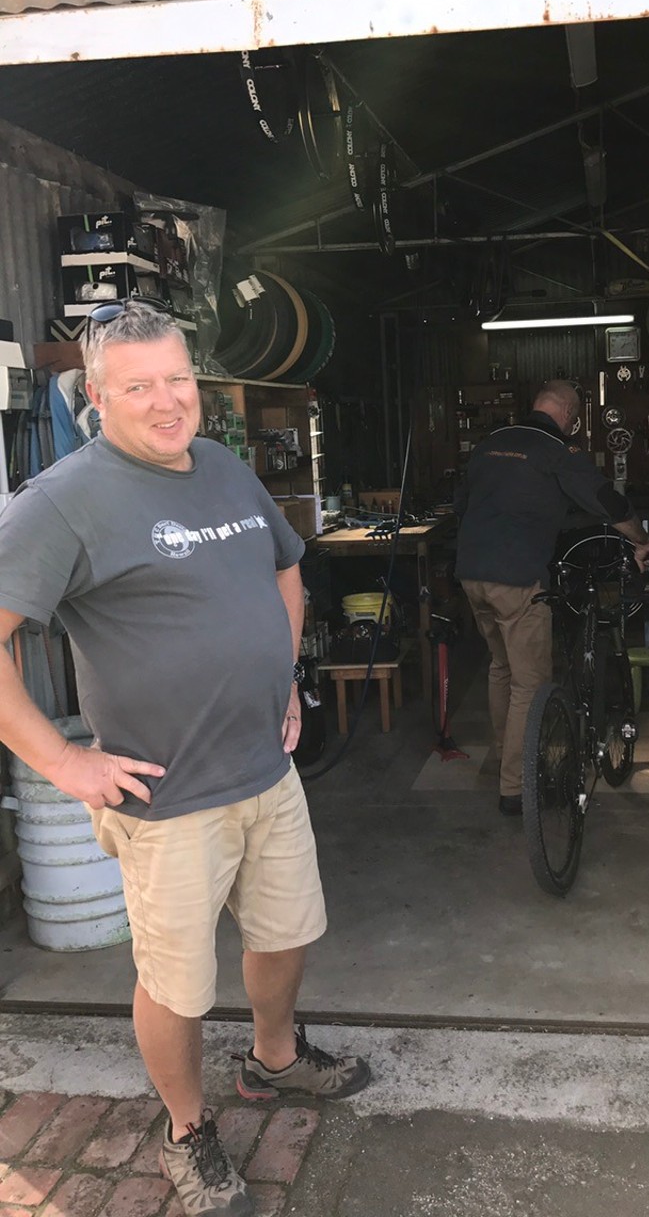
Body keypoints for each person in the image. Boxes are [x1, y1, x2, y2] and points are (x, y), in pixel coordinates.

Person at [0, 300, 369, 1217]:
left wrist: (283, 674)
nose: (168, 402)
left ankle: (274, 1061)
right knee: (177, 984)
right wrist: (66, 764)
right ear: (97, 395)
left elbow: (285, 567)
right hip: (167, 799)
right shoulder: (62, 501)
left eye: (178, 379)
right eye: (140, 387)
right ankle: (186, 1131)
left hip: (265, 769)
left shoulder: (222, 467)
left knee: (285, 936)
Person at [455, 379, 649, 815]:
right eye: (575, 419)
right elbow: (607, 499)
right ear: (569, 415)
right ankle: (516, 787)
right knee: (529, 683)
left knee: (501, 668)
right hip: (517, 580)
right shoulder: (556, 449)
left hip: (471, 574)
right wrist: (641, 541)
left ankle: (507, 757)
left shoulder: (489, 443)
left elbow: (466, 504)